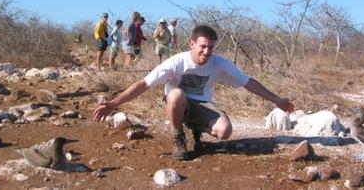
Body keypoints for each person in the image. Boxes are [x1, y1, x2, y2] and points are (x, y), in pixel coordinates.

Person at [93, 24, 295, 161]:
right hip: (179, 102)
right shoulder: (177, 61)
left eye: (211, 48)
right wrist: (114, 103)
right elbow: (144, 84)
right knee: (176, 94)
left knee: (225, 132)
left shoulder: (219, 64)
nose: (207, 52)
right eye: (203, 46)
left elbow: (248, 82)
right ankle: (178, 137)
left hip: (203, 104)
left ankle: (194, 130)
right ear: (192, 44)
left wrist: (276, 99)